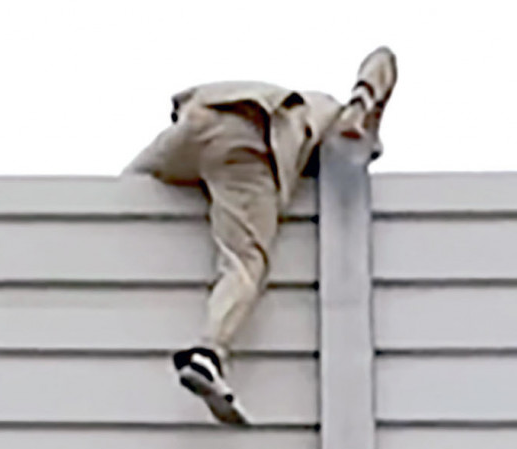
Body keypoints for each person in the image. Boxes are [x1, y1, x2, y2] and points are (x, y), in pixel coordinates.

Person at [125, 48, 398, 424]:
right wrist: (362, 104)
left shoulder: (307, 106)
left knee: (128, 190)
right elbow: (384, 61)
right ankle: (208, 354)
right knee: (245, 264)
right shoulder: (339, 118)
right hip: (249, 138)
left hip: (195, 119)